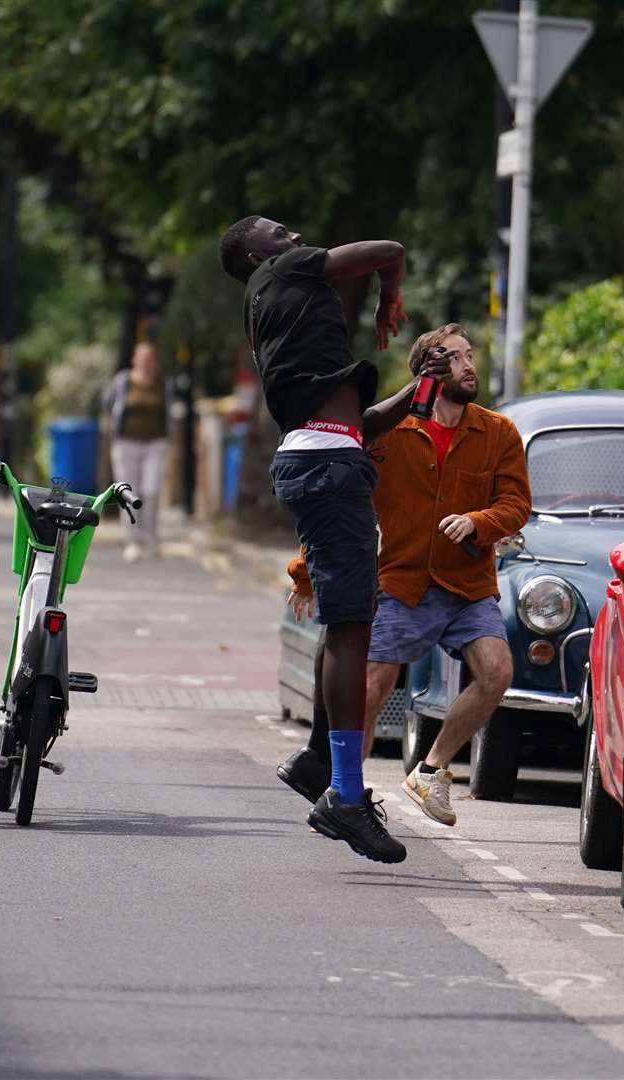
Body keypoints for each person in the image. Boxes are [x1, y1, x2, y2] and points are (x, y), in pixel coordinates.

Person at [220, 213, 443, 863]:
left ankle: (320, 758)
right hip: (326, 467)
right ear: (256, 253)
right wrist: (388, 300)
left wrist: (419, 388)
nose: (290, 233)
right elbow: (389, 248)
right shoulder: (282, 270)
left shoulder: (281, 309)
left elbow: (361, 421)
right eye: (275, 230)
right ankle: (346, 795)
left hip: (323, 456)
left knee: (342, 624)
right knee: (351, 627)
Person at [280, 325, 530, 826]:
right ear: (428, 374)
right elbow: (343, 507)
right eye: (455, 358)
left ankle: (430, 770)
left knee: (498, 671)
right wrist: (304, 571)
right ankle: (345, 795)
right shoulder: (390, 435)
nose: (468, 366)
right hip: (402, 582)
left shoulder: (498, 432)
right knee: (369, 690)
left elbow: (516, 503)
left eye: (469, 356)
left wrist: (478, 522)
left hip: (467, 586)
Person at [103, 341, 170, 562]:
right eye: (142, 358)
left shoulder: (161, 383)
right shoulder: (123, 381)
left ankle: (150, 537)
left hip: (155, 443)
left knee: (151, 491)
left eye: (150, 358)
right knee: (130, 493)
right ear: (134, 359)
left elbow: (167, 410)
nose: (146, 363)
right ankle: (132, 541)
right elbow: (108, 405)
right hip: (125, 443)